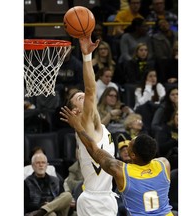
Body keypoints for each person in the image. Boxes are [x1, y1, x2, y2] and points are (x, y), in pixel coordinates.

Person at [60, 106, 174, 216]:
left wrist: (77, 126)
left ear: (133, 155)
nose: (128, 142)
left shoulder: (122, 171)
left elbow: (94, 150)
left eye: (130, 144)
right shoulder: (164, 164)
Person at [63, 34, 118, 216]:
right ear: (75, 112)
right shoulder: (87, 123)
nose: (85, 97)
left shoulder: (95, 126)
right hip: (95, 201)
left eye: (83, 95)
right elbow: (91, 89)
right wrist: (86, 57)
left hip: (105, 197)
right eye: (80, 98)